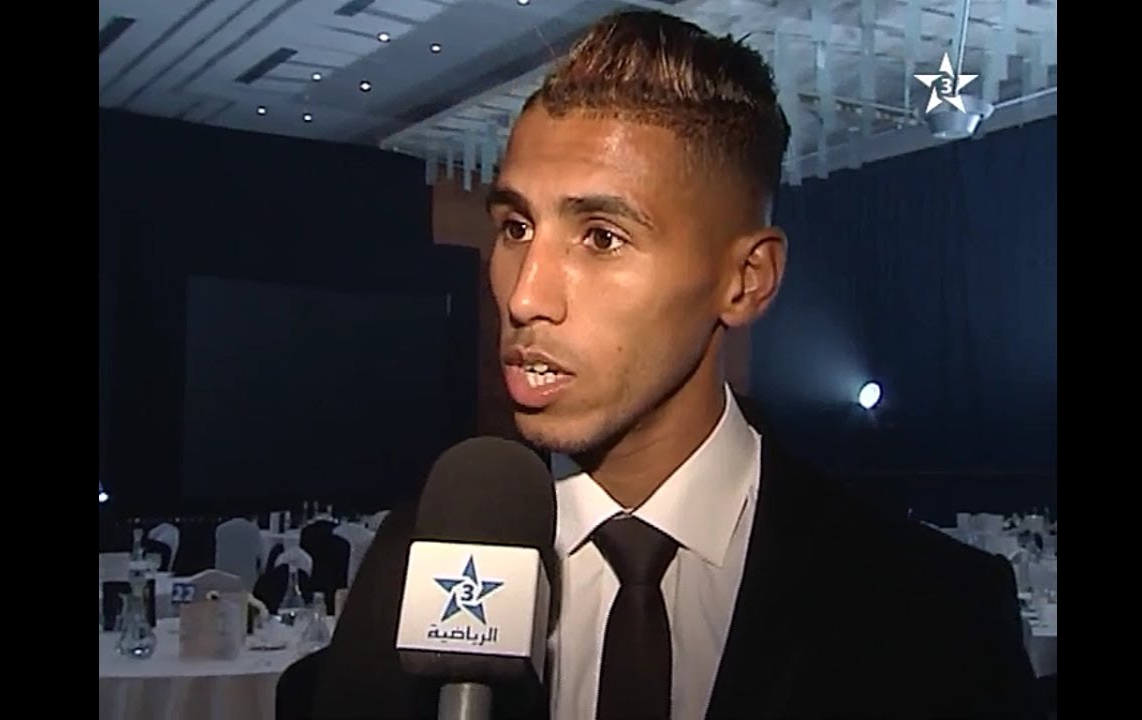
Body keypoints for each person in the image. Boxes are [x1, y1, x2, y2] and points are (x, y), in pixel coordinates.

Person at [303, 9, 1040, 720]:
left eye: (601, 237)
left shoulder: (930, 607)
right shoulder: (415, 566)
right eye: (516, 227)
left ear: (746, 280)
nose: (525, 296)